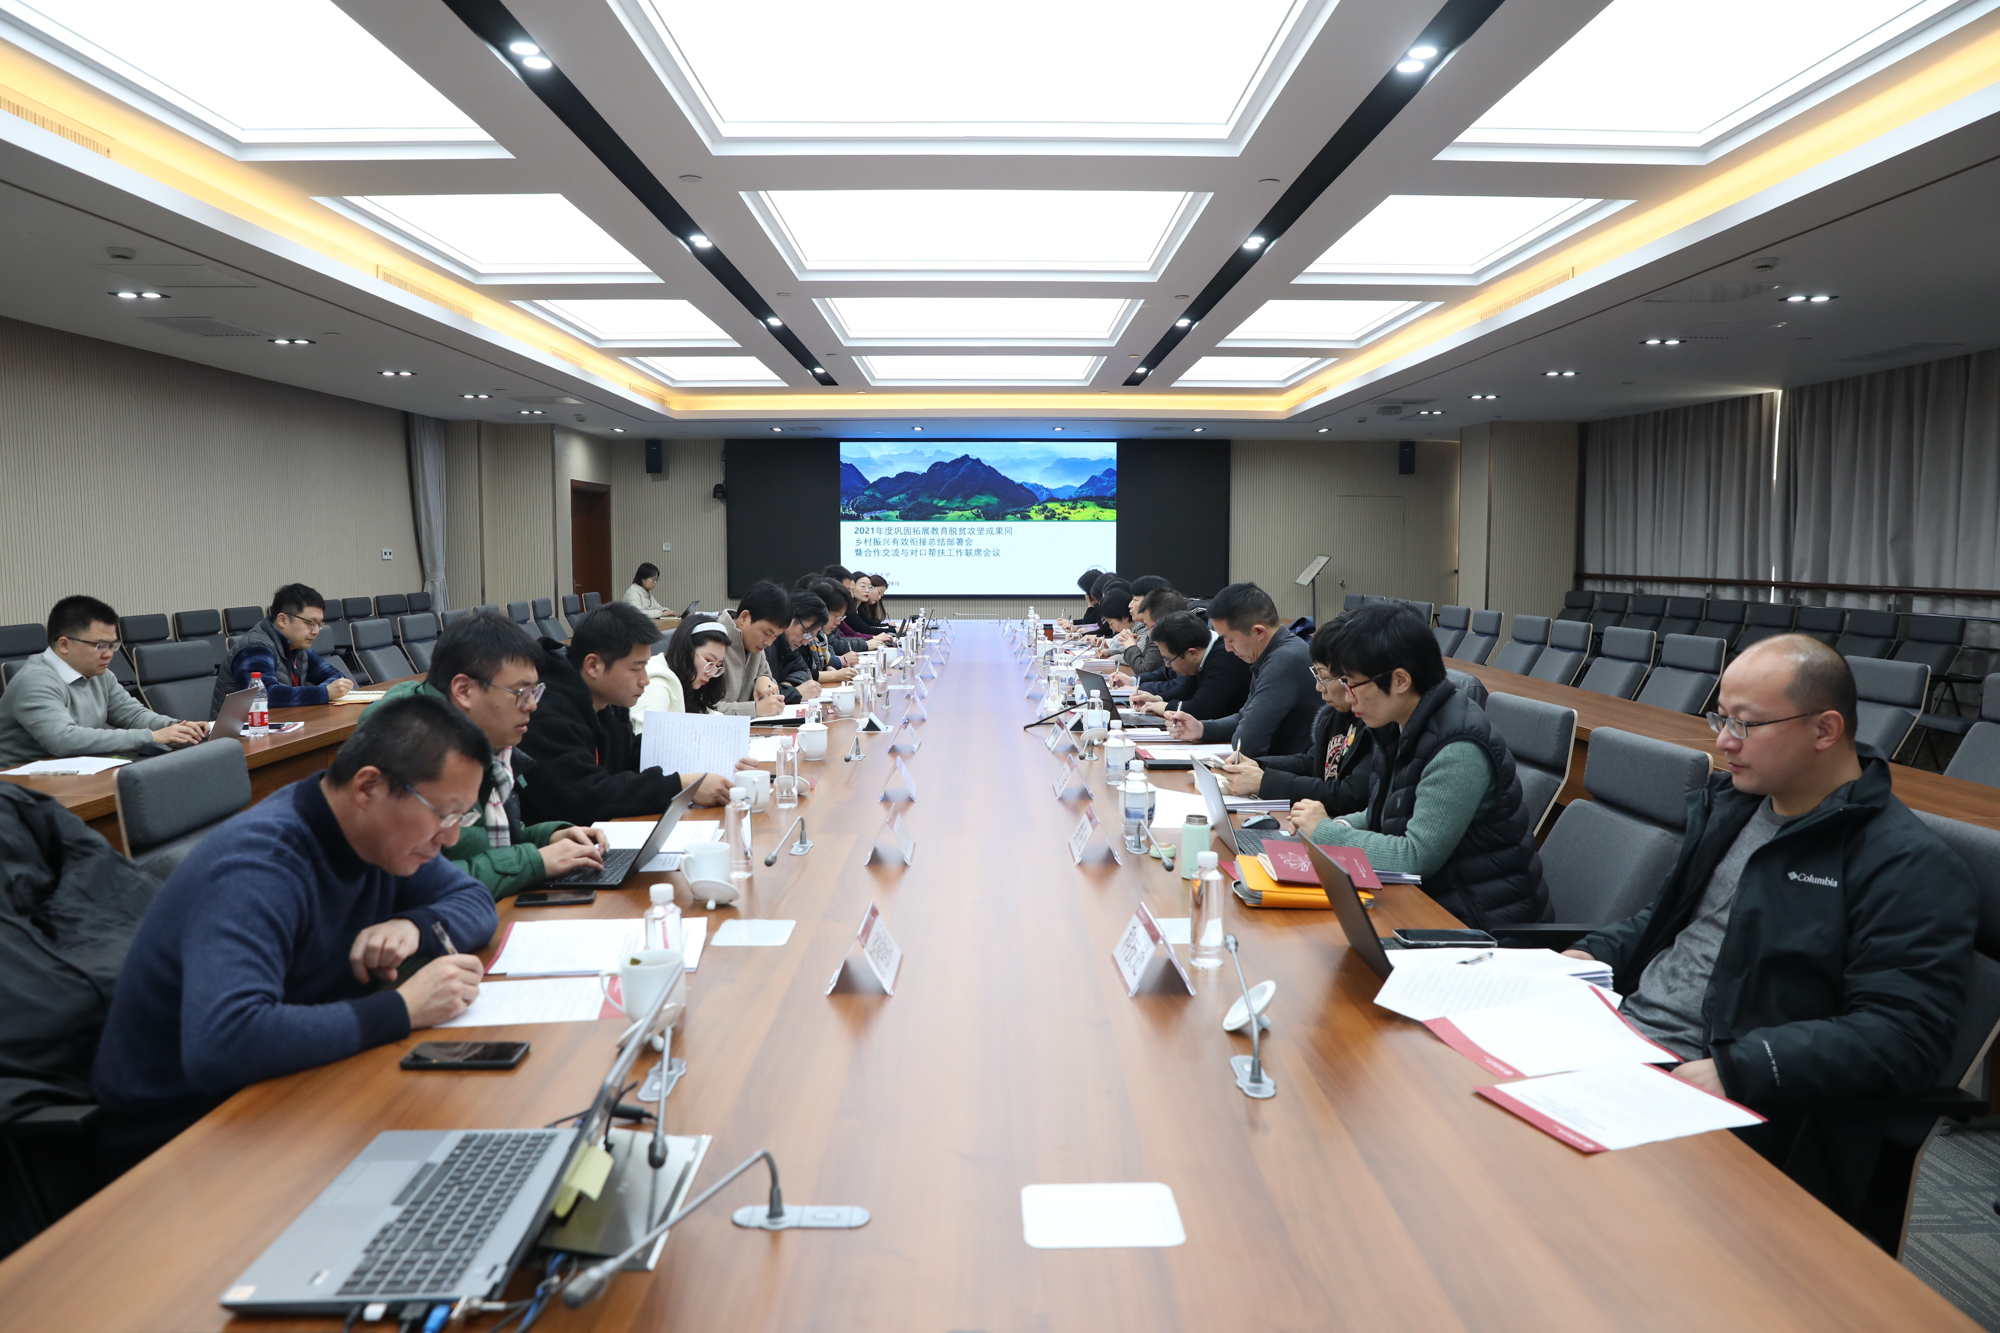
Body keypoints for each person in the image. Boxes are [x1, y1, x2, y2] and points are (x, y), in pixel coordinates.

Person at [1564, 635, 1973, 1221]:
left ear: (1825, 730)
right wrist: (1586, 956)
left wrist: (1741, 1069)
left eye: (1746, 724)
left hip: (1716, 1088)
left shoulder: (1905, 864)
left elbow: (1905, 1035)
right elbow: (1667, 922)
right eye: (1721, 718)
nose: (1723, 742)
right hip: (1618, 1036)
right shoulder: (1735, 806)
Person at [90, 694, 501, 1174]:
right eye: (444, 815)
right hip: (182, 1138)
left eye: (461, 818)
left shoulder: (378, 835)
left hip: (287, 1089)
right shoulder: (260, 864)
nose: (451, 838)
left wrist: (413, 927)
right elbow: (225, 1042)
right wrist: (404, 1008)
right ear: (369, 787)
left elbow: (474, 902)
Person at [1291, 603, 1548, 926]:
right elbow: (1390, 811)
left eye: (1352, 684)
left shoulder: (1458, 747)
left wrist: (1326, 832)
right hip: (1428, 904)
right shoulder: (1399, 724)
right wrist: (1340, 825)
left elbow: (1414, 856)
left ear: (1400, 680)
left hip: (1480, 926)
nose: (1348, 696)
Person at [379, 611, 610, 898]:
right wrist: (534, 861)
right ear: (464, 691)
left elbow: (481, 838)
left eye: (534, 691)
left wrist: (547, 837)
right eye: (520, 692)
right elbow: (415, 883)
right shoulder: (406, 752)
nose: (532, 705)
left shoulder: (480, 737)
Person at [518, 603, 731, 824]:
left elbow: (630, 755)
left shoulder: (609, 700)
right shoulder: (545, 712)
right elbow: (586, 797)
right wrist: (680, 786)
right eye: (636, 668)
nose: (645, 680)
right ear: (593, 665)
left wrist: (708, 754)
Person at [0, 595, 206, 765]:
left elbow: (133, 716)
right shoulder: (35, 681)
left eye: (112, 646)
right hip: (24, 786)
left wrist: (179, 728)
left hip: (76, 772)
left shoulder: (99, 674)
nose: (108, 654)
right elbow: (63, 739)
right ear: (64, 645)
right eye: (100, 646)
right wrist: (152, 737)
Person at [1214, 619, 1373, 817]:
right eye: (1317, 676)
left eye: (1324, 678)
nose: (1318, 687)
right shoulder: (1336, 715)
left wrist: (1265, 782)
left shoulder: (1377, 724)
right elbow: (1311, 762)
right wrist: (1258, 766)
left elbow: (1350, 795)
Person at [1163, 582, 1318, 758]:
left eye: (1230, 640)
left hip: (1291, 769)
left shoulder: (1283, 661)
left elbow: (1247, 743)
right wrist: (1201, 729)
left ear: (1259, 632)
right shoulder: (1272, 653)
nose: (1228, 649)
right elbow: (1244, 717)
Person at [212, 583, 355, 716]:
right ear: (282, 620)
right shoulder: (254, 648)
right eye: (310, 623)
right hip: (241, 731)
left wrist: (328, 690)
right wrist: (324, 693)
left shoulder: (297, 646)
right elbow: (266, 695)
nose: (316, 631)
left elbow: (338, 678)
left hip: (283, 723)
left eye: (319, 624)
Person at [1128, 610, 1249, 720]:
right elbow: (1187, 690)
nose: (1168, 665)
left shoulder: (1225, 658)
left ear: (1193, 653)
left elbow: (1202, 709)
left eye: (1169, 660)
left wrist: (1166, 707)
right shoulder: (1204, 651)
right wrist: (1158, 699)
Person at [632, 615, 731, 724]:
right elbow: (647, 731)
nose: (712, 673)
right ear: (686, 651)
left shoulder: (687, 683)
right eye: (709, 661)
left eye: (717, 665)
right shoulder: (657, 684)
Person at [714, 581, 789, 718]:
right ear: (744, 617)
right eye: (767, 633)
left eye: (775, 637)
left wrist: (764, 678)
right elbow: (701, 709)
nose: (769, 643)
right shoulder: (711, 643)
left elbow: (767, 681)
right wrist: (753, 709)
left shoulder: (754, 644)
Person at [764, 590, 829, 705]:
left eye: (810, 637)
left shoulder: (789, 645)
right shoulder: (765, 644)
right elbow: (759, 693)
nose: (805, 642)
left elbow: (804, 671)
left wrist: (787, 686)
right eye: (806, 632)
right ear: (789, 616)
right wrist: (796, 692)